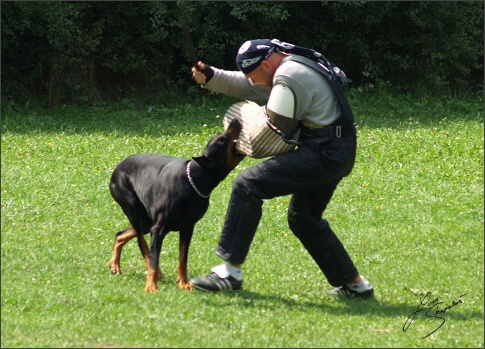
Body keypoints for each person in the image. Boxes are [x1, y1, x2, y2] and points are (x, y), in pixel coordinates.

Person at [188, 39, 374, 298]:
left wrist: (242, 134)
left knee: (248, 183)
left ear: (266, 63)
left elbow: (274, 133)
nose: (254, 82)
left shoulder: (288, 76)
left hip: (324, 151)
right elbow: (252, 85)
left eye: (255, 75)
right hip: (336, 146)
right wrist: (212, 76)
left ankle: (229, 273)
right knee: (304, 218)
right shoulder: (291, 62)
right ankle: (355, 285)